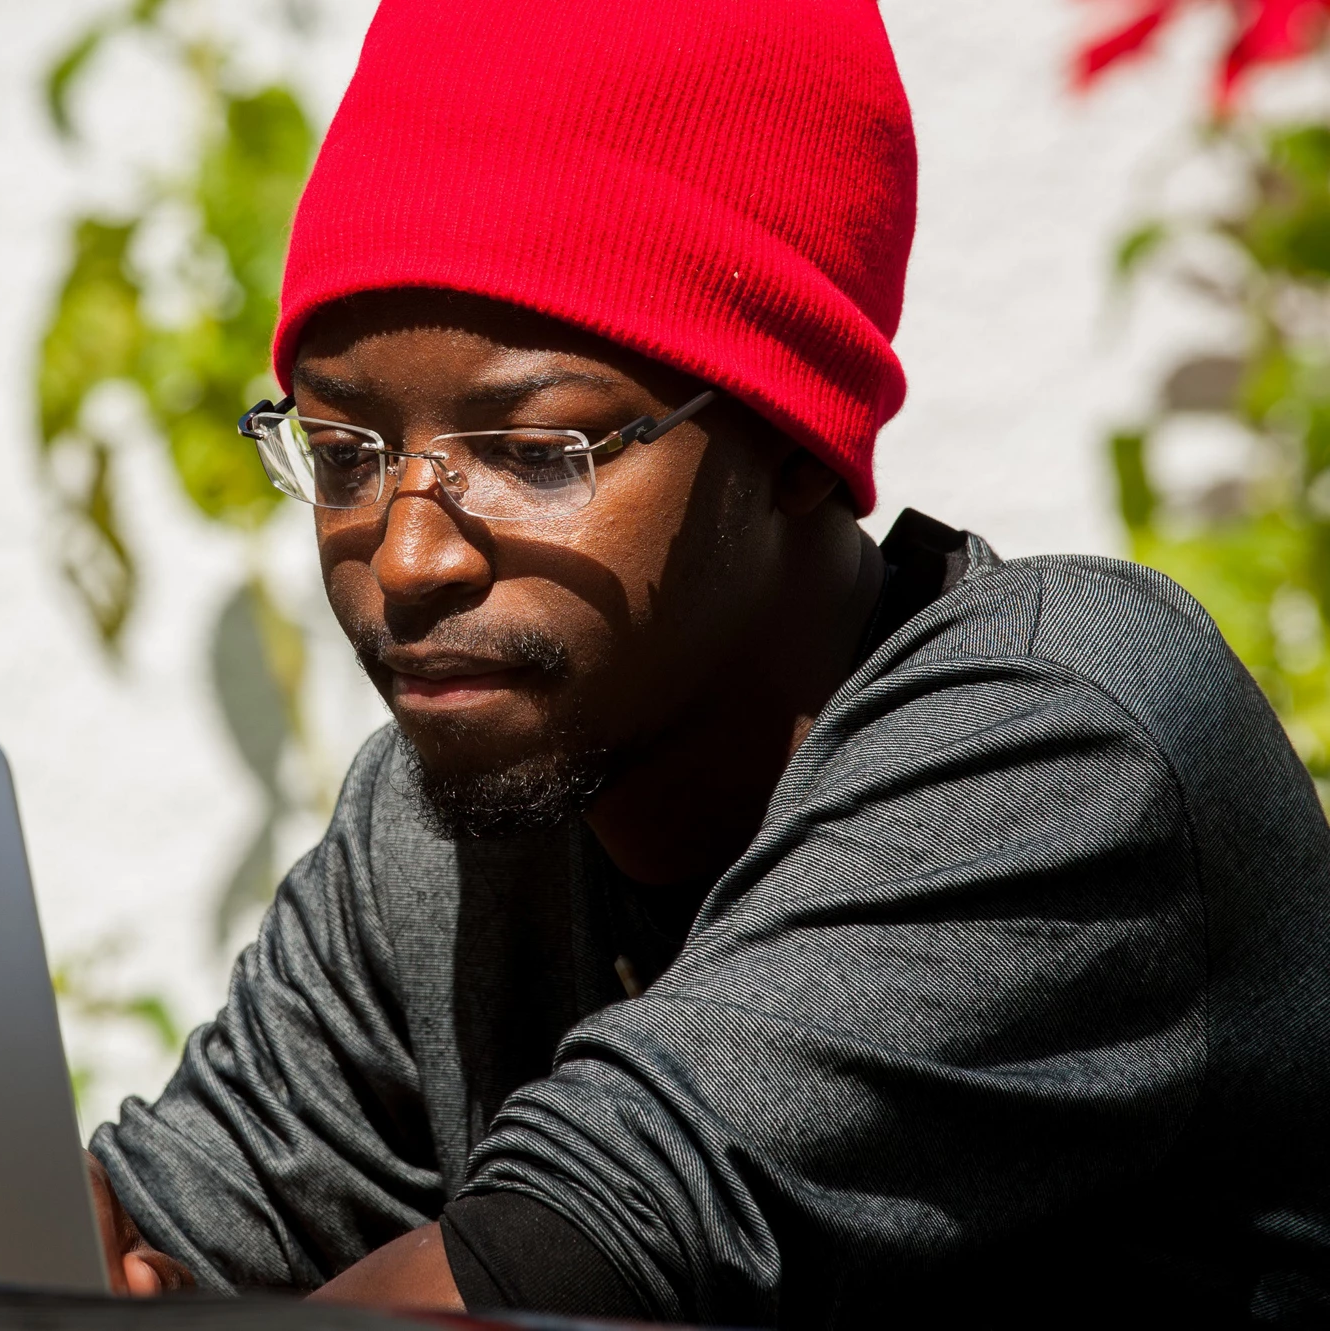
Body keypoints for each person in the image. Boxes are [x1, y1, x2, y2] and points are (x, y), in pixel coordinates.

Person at [85, 0, 1330, 1324]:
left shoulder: (1062, 740)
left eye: (533, 450)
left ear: (795, 441)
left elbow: (547, 1260)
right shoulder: (436, 836)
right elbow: (130, 1244)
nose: (406, 558)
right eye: (343, 454)